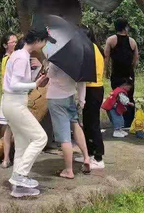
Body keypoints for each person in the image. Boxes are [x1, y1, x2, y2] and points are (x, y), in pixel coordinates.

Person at [1, 28, 51, 198]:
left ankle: (18, 187)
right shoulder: (22, 57)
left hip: (13, 103)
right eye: (44, 42)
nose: (44, 45)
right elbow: (15, 84)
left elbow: (21, 82)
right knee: (40, 138)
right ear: (38, 41)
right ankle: (20, 175)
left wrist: (36, 74)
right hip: (15, 104)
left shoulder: (19, 55)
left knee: (22, 144)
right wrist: (35, 84)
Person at [46, 58, 92, 179]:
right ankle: (86, 157)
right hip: (70, 96)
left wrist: (46, 66)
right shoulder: (78, 59)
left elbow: (50, 75)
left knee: (64, 137)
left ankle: (68, 170)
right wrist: (81, 100)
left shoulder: (57, 58)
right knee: (75, 125)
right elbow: (82, 82)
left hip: (56, 98)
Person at [78, 26, 105, 169]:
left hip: (92, 89)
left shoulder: (89, 50)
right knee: (88, 123)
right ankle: (89, 154)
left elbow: (83, 74)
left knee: (93, 124)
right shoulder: (94, 48)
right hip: (94, 89)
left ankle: (98, 158)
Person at [104, 18, 139, 126]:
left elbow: (106, 57)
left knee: (117, 98)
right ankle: (129, 123)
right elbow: (135, 59)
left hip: (116, 74)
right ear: (125, 28)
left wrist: (106, 70)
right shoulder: (132, 41)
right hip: (129, 75)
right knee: (129, 97)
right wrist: (130, 68)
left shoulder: (111, 40)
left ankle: (119, 123)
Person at [0, 32, 19, 168]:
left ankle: (8, 158)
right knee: (11, 129)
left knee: (11, 129)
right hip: (11, 96)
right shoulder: (8, 59)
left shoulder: (12, 58)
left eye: (17, 41)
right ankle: (8, 158)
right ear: (5, 45)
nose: (16, 44)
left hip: (10, 96)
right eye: (13, 42)